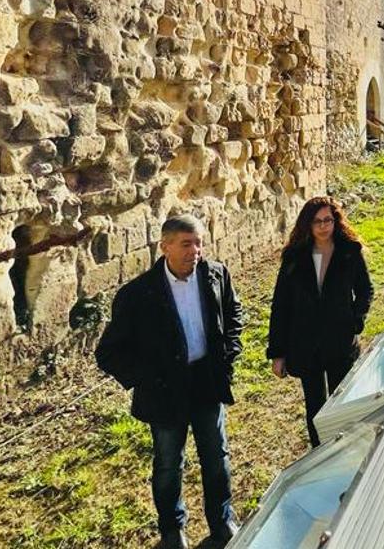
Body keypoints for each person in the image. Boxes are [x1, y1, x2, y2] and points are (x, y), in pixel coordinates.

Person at [95, 214, 242, 549]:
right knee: (168, 463)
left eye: (199, 242)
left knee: (216, 457)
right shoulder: (138, 294)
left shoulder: (216, 275)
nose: (196, 251)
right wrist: (149, 379)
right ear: (165, 246)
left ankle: (222, 521)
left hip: (206, 382)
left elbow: (233, 313)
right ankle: (172, 530)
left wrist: (229, 353)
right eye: (186, 244)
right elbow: (109, 352)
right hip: (165, 393)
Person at [267, 195, 374, 447]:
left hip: (340, 341)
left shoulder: (349, 251)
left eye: (328, 220)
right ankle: (321, 455)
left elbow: (366, 290)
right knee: (315, 406)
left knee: (342, 401)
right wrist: (277, 353)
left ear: (335, 221)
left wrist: (355, 321)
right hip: (305, 344)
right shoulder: (294, 258)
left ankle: (347, 448)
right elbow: (281, 305)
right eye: (317, 221)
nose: (323, 226)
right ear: (308, 224)